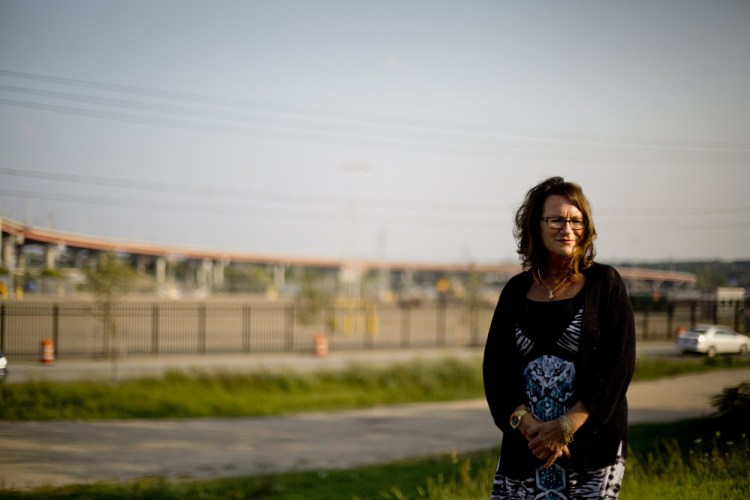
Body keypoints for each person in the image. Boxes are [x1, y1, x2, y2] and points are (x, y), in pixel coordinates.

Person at [483, 177, 635, 499]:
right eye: (556, 219)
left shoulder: (605, 284)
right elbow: (496, 372)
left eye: (576, 220)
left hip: (590, 450)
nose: (567, 228)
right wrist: (531, 430)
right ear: (535, 225)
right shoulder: (515, 291)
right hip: (526, 448)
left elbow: (617, 366)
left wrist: (565, 427)